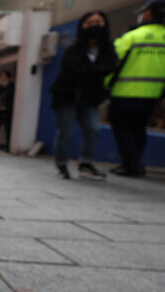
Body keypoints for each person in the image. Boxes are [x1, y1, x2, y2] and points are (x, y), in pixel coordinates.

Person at [107, 0, 165, 176]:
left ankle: (131, 164)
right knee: (139, 129)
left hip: (124, 92)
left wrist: (103, 85)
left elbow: (112, 64)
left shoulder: (132, 37)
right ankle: (134, 163)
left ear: (147, 13)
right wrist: (164, 89)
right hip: (152, 95)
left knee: (122, 128)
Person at [49, 11, 118, 180]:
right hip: (66, 96)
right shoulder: (72, 49)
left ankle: (86, 164)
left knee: (93, 129)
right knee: (66, 132)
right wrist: (96, 71)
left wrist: (90, 72)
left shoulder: (107, 49)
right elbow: (73, 72)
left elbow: (111, 67)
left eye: (99, 21)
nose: (94, 25)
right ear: (82, 25)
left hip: (90, 97)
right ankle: (61, 165)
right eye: (90, 22)